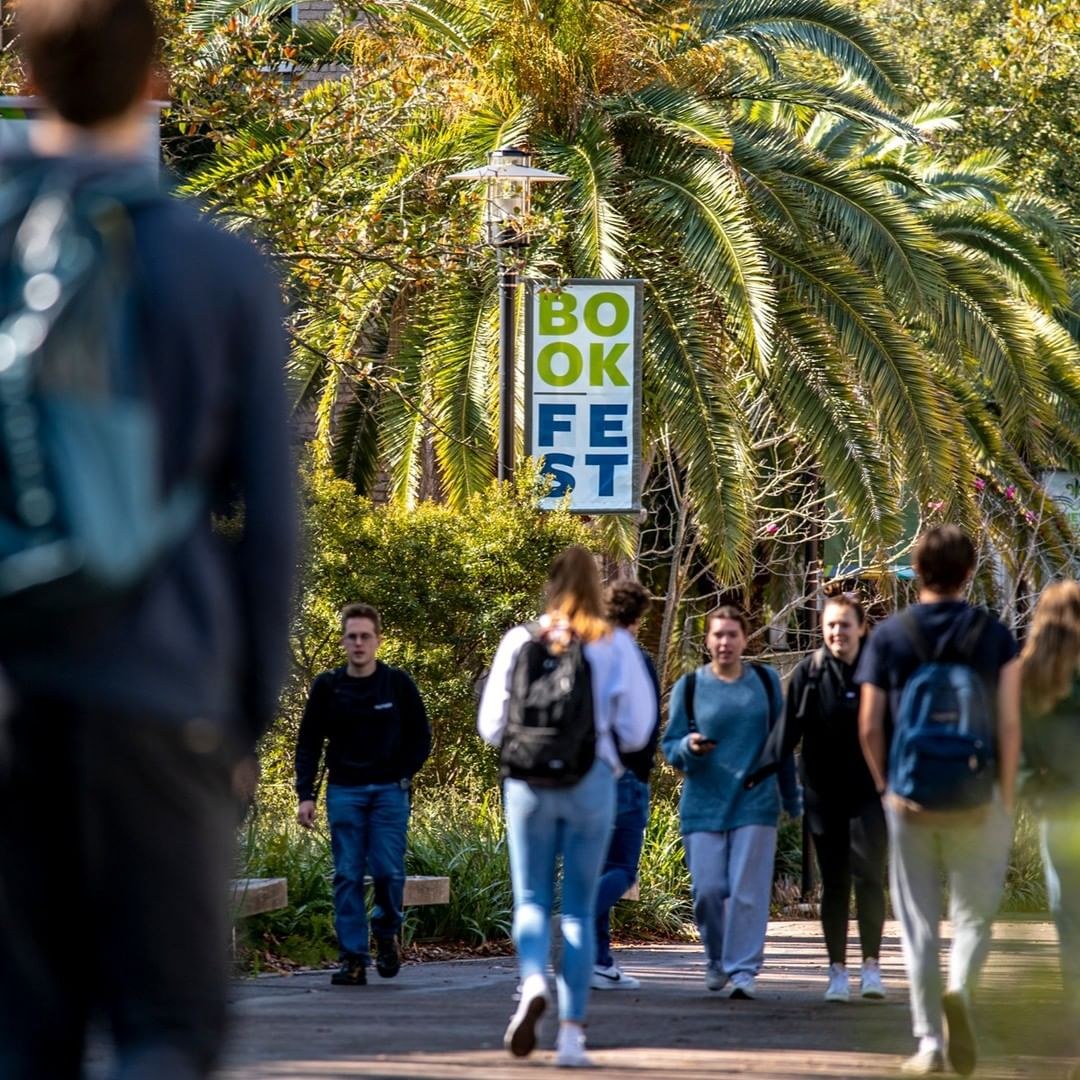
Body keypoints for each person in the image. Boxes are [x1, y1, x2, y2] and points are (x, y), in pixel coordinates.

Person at [0, 0, 297, 1074]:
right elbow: (269, 528)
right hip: (159, 690)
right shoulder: (215, 269)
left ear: (23, 66)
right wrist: (245, 717)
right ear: (156, 77)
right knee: (165, 1028)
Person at [478, 545, 654, 1068]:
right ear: (598, 587)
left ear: (550, 585)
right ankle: (572, 1037)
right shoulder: (615, 645)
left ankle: (533, 980)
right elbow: (639, 728)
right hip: (592, 782)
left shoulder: (519, 641)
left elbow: (491, 727)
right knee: (577, 908)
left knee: (530, 897)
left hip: (528, 783)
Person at [858, 525, 1020, 1077]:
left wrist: (887, 789)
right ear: (969, 571)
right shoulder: (994, 635)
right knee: (974, 915)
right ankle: (962, 993)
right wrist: (1005, 795)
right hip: (978, 797)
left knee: (918, 924)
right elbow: (1009, 721)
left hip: (910, 797)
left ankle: (929, 1042)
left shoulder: (891, 637)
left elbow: (869, 727)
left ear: (918, 570)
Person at [662, 606, 802, 1000]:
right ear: (707, 640)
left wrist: (791, 797)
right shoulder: (689, 687)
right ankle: (715, 958)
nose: (724, 642)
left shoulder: (765, 681)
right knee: (708, 890)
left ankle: (742, 971)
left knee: (746, 891)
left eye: (732, 635)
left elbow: (781, 744)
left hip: (755, 800)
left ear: (744, 639)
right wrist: (688, 747)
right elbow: (670, 746)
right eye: (717, 635)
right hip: (703, 803)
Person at [295, 602, 431, 986]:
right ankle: (353, 958)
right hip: (344, 792)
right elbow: (308, 743)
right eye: (351, 636)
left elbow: (421, 736)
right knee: (347, 874)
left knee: (388, 872)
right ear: (343, 641)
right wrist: (305, 794)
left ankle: (386, 932)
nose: (358, 643)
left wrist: (403, 773)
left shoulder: (396, 684)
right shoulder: (328, 687)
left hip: (390, 792)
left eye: (365, 637)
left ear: (377, 641)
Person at [784, 592, 887, 1003]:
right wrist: (759, 775)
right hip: (823, 795)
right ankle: (837, 971)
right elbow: (786, 735)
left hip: (869, 793)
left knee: (869, 878)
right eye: (830, 625)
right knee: (835, 882)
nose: (837, 632)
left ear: (861, 627)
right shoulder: (809, 673)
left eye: (844, 624)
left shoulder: (878, 671)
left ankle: (872, 968)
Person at [1018, 581, 1080, 1080]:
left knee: (1066, 907)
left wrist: (1031, 785)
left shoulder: (1031, 675)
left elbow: (1018, 744)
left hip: (1058, 806)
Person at [590, 580, 662, 992]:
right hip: (627, 776)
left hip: (586, 776)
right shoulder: (636, 660)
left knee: (596, 867)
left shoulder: (586, 654)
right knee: (622, 868)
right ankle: (577, 923)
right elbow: (644, 725)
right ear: (637, 619)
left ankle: (599, 959)